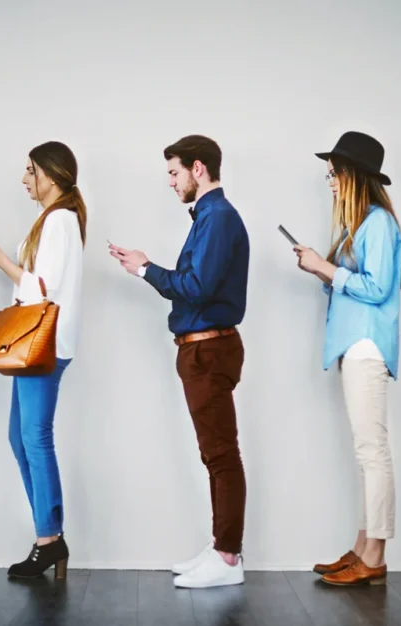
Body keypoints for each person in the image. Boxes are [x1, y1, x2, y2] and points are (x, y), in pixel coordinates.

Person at [109, 135, 249, 589]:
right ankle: (222, 548)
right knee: (215, 454)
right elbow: (196, 281)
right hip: (201, 348)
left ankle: (227, 558)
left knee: (221, 455)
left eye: (174, 173)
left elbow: (197, 286)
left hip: (208, 349)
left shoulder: (219, 217)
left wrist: (147, 269)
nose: (171, 183)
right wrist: (146, 266)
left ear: (198, 169)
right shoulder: (210, 217)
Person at [293, 131, 401, 587]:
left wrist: (326, 267)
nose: (330, 181)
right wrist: (323, 269)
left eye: (335, 173)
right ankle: (363, 546)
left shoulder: (378, 222)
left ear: (355, 176)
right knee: (366, 451)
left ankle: (374, 554)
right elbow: (352, 284)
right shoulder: (357, 225)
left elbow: (378, 289)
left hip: (367, 345)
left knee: (372, 451)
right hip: (353, 344)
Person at [0, 141, 86, 580]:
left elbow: (44, 288)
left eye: (30, 171)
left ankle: (49, 540)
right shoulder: (55, 219)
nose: (24, 180)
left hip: (45, 345)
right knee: (21, 438)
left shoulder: (59, 219)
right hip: (44, 344)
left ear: (51, 175)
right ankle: (49, 537)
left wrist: (0, 259)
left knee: (34, 439)